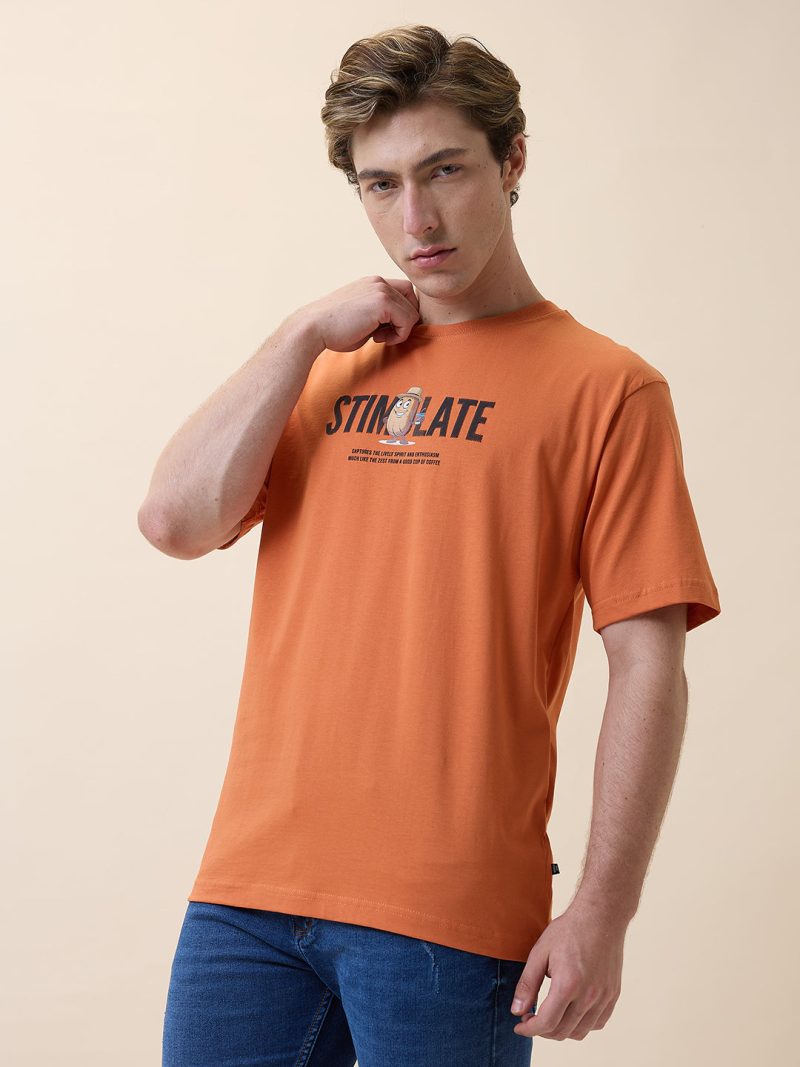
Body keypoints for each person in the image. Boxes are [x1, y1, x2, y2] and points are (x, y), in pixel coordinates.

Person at [140, 24, 721, 1067]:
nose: (415, 220)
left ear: (512, 159)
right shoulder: (326, 367)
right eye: (380, 184)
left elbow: (647, 662)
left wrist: (602, 909)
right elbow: (173, 523)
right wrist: (297, 336)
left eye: (443, 170)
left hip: (448, 915)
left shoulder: (608, 390)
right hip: (248, 894)